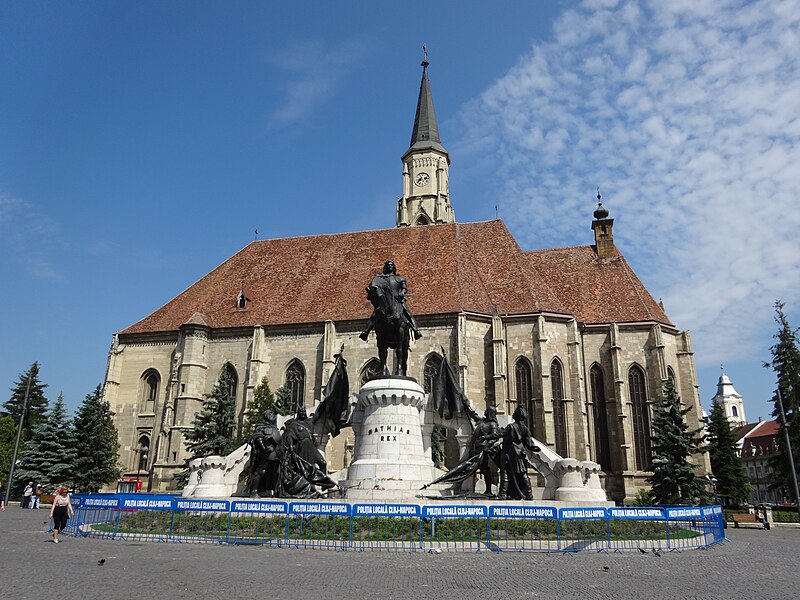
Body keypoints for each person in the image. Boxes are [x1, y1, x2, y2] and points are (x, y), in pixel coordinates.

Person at [360, 260, 423, 341]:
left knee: (408, 314)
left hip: (398, 300)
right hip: (384, 302)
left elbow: (404, 288)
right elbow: (373, 287)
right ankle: (365, 332)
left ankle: (416, 330)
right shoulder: (380, 278)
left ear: (394, 267)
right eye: (388, 265)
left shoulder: (399, 278)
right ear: (385, 267)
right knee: (374, 316)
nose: (390, 266)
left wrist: (402, 293)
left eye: (391, 265)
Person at [498, 405, 540, 501]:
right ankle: (528, 494)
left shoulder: (511, 427)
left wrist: (488, 436)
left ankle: (503, 494)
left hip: (510, 453)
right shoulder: (525, 428)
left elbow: (500, 434)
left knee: (505, 472)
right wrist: (534, 448)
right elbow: (529, 444)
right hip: (520, 453)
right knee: (522, 473)